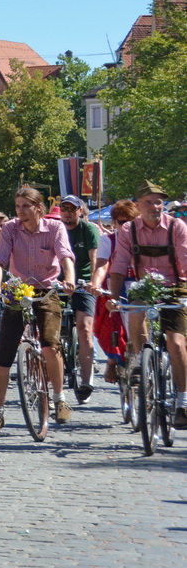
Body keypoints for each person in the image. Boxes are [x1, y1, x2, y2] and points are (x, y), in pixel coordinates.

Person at [0, 186, 76, 432]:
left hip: (47, 291)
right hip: (18, 291)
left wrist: (69, 279)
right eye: (18, 206)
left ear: (39, 208)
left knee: (50, 344)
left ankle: (59, 400)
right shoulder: (10, 229)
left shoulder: (55, 228)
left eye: (26, 206)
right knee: (3, 356)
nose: (21, 211)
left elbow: (65, 255)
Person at [106, 181, 187, 428]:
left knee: (176, 342)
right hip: (144, 287)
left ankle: (183, 403)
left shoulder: (177, 227)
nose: (155, 206)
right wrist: (113, 296)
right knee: (135, 312)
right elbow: (119, 265)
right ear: (138, 206)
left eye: (159, 201)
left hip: (175, 286)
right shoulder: (128, 230)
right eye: (149, 202)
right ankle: (140, 361)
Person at [55, 195, 99, 401]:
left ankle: (86, 379)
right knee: (50, 329)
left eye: (72, 209)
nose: (67, 212)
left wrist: (93, 281)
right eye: (64, 208)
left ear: (80, 211)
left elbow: (94, 258)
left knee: (84, 327)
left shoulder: (88, 230)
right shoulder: (55, 228)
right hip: (57, 283)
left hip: (82, 283)